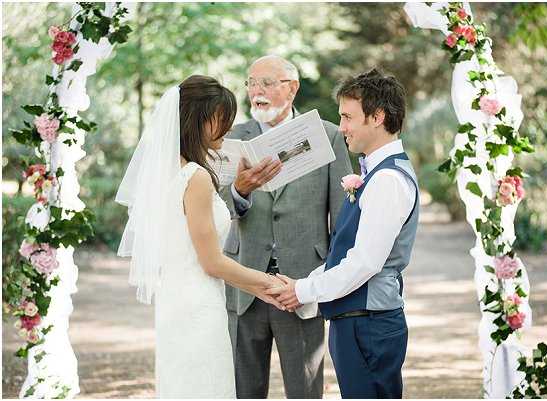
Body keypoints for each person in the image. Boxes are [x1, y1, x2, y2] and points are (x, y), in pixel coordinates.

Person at [116, 75, 285, 398]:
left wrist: (258, 290)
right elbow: (211, 262)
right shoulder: (195, 178)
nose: (227, 126)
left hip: (174, 300)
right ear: (199, 119)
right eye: (222, 118)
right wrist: (269, 282)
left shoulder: (164, 174)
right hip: (198, 306)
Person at [269, 68, 419, 398]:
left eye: (348, 117)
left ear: (377, 117)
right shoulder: (376, 174)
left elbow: (364, 262)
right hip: (356, 321)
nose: (342, 128)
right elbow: (346, 253)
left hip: (368, 324)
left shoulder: (387, 181)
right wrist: (302, 286)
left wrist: (304, 290)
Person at [220, 55, 353, 398]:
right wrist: (240, 191)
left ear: (292, 88)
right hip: (244, 282)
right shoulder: (231, 138)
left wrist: (326, 281)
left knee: (305, 390)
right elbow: (213, 210)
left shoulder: (328, 136)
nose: (256, 92)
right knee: (242, 389)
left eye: (266, 83)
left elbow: (342, 221)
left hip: (302, 284)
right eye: (251, 83)